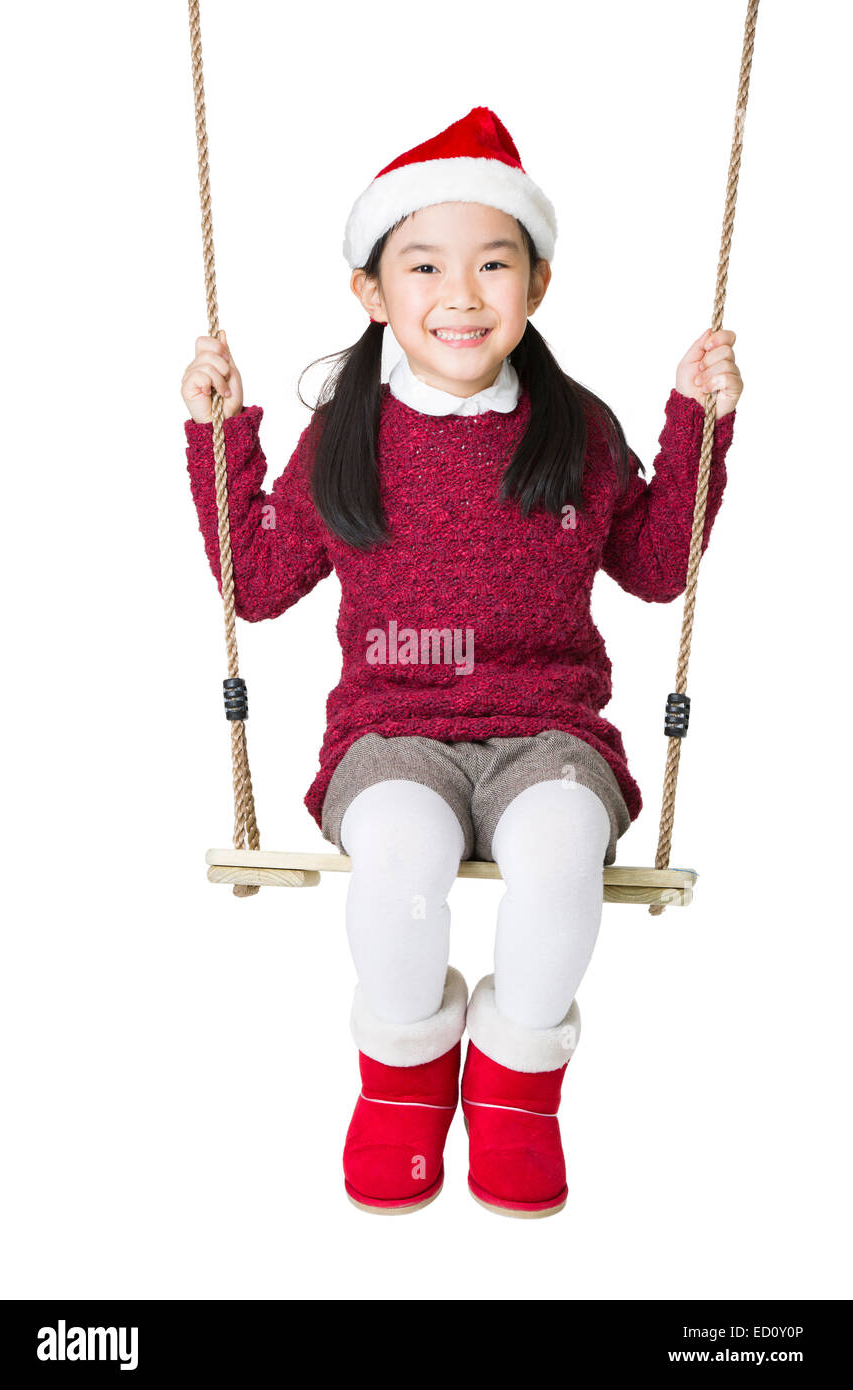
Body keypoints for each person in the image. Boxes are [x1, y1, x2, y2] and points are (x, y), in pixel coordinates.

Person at [181, 107, 742, 1218]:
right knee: (395, 854)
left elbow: (649, 563)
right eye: (423, 265)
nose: (459, 294)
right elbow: (259, 582)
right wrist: (220, 434)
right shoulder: (346, 432)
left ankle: (518, 1086)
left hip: (550, 733)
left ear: (536, 285)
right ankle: (400, 1083)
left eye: (492, 264)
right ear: (370, 292)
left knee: (558, 852)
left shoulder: (572, 427)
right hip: (391, 732)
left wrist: (696, 425)